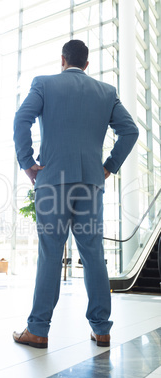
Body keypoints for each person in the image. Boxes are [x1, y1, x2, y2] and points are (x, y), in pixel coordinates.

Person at [13, 40, 139, 348]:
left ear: (62, 59)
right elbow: (130, 131)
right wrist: (108, 166)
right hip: (91, 184)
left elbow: (21, 119)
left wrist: (28, 163)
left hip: (53, 180)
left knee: (50, 253)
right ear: (86, 64)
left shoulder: (44, 84)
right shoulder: (106, 92)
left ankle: (39, 330)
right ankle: (101, 328)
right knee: (93, 254)